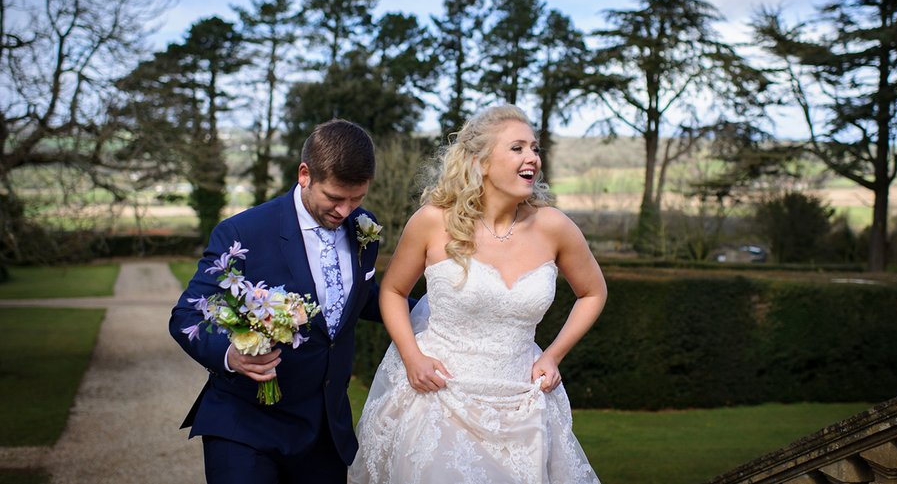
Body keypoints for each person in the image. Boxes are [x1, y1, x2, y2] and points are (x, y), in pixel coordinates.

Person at [348, 104, 608, 484]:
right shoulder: (433, 221)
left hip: (523, 404)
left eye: (535, 148)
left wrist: (553, 355)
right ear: (480, 162)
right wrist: (412, 356)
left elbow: (593, 293)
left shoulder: (555, 227)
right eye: (517, 148)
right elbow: (392, 290)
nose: (532, 157)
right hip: (438, 397)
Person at [169, 119, 384, 484]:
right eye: (334, 198)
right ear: (305, 174)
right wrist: (230, 355)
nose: (346, 211)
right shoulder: (243, 233)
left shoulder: (365, 228)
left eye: (357, 198)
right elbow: (187, 314)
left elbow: (361, 298)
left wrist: (440, 310)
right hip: (245, 426)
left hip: (324, 432)